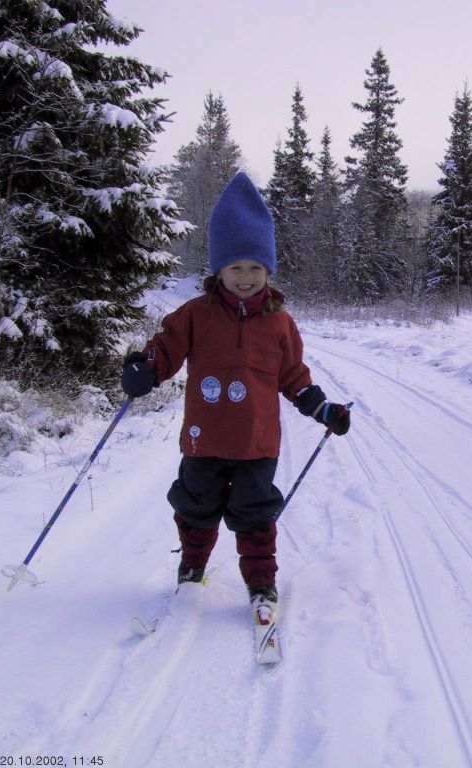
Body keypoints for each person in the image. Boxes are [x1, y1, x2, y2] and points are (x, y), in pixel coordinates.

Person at [120, 171, 350, 615]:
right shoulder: (195, 314)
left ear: (268, 269)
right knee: (194, 508)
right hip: (203, 438)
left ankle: (262, 584)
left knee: (255, 515)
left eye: (255, 268)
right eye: (236, 267)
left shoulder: (280, 323)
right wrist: (144, 369)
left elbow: (293, 376)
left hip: (256, 443)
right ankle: (191, 569)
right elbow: (164, 349)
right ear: (219, 268)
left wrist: (322, 409)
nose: (246, 277)